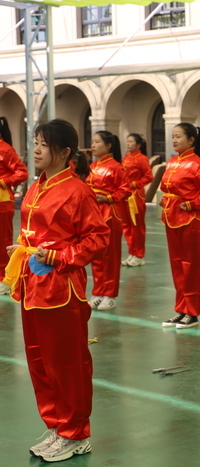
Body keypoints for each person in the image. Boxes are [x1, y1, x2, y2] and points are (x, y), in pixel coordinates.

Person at [3, 119, 109, 462]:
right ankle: (56, 425)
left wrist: (61, 256)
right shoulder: (36, 186)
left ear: (65, 152)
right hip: (32, 283)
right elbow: (34, 232)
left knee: (67, 363)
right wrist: (21, 248)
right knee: (39, 360)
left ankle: (76, 432)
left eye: (43, 144)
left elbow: (98, 239)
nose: (35, 149)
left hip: (61, 288)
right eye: (35, 142)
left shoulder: (77, 190)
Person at [160, 123, 200, 329]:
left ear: (191, 140)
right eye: (173, 136)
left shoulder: (197, 164)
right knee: (177, 265)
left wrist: (192, 204)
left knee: (191, 266)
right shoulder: (172, 162)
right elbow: (166, 187)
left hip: (191, 221)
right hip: (171, 218)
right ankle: (180, 309)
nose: (174, 140)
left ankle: (192, 312)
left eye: (178, 137)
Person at [85, 131, 130, 311]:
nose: (93, 145)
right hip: (93, 215)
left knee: (110, 256)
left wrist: (109, 197)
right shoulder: (93, 165)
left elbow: (126, 189)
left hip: (110, 214)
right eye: (93, 141)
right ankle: (98, 291)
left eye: (97, 142)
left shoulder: (116, 167)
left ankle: (110, 294)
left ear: (109, 145)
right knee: (96, 254)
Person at [0, 116, 28, 295]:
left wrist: (2, 181)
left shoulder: (5, 149)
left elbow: (22, 173)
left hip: (2, 202)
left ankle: (5, 278)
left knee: (2, 241)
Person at [120, 133, 153, 267]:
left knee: (137, 226)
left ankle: (139, 255)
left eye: (131, 142)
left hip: (136, 196)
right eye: (127, 141)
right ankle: (132, 252)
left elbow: (149, 176)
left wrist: (135, 184)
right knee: (126, 225)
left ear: (138, 145)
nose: (128, 144)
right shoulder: (126, 157)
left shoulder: (142, 158)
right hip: (125, 195)